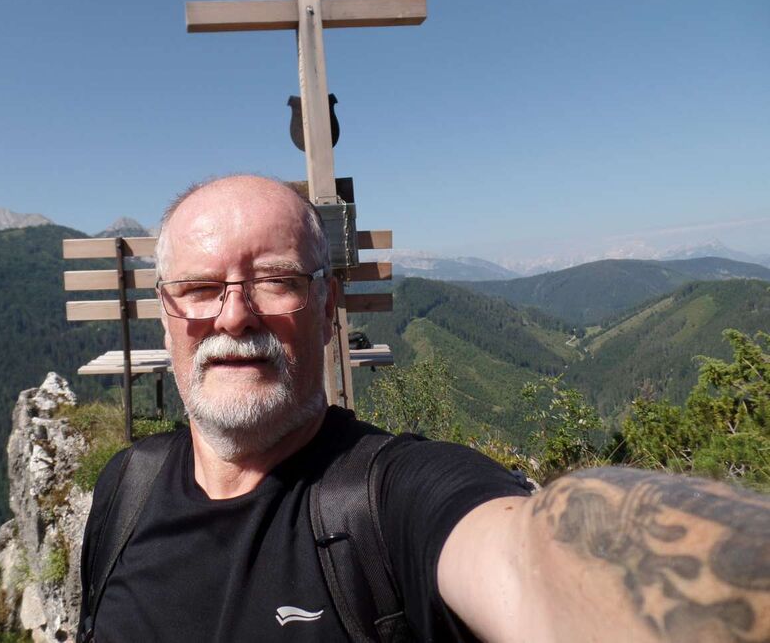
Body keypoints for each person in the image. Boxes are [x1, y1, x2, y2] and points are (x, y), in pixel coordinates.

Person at [80, 174, 770, 642]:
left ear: (326, 307)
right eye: (201, 287)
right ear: (165, 313)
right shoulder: (125, 488)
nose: (234, 315)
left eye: (276, 280)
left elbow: (527, 556)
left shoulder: (388, 502)